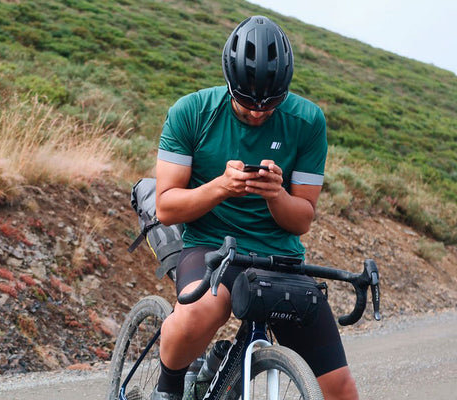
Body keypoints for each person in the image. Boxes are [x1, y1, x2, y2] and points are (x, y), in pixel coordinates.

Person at [152, 15, 359, 400]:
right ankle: (167, 390)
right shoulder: (192, 112)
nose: (259, 111)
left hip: (279, 258)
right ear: (229, 83)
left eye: (271, 103)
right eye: (247, 101)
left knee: (341, 391)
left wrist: (276, 195)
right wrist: (219, 188)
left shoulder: (307, 120)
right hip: (211, 248)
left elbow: (302, 220)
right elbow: (166, 207)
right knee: (200, 312)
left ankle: (214, 368)